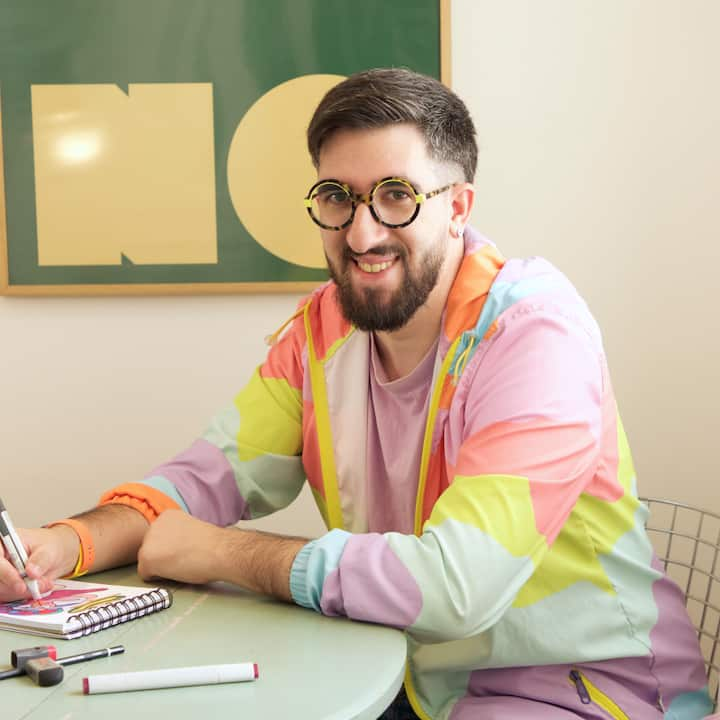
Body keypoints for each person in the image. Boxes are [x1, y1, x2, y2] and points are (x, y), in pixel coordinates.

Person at [0, 68, 713, 720]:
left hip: (585, 688)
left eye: (396, 196)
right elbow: (203, 480)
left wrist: (226, 554)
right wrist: (65, 543)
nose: (362, 231)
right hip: (414, 674)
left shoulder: (534, 337)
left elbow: (454, 588)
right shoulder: (324, 329)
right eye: (337, 198)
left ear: (458, 205)